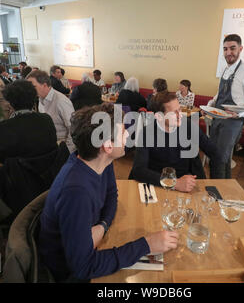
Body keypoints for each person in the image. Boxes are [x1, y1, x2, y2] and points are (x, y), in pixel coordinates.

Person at [38, 103, 179, 282]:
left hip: (90, 246)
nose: (127, 134)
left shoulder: (99, 161)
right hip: (68, 272)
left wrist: (102, 225)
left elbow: (112, 195)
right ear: (107, 146)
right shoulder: (76, 191)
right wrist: (147, 244)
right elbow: (82, 267)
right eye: (122, 132)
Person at [129, 91, 217, 192]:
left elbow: (214, 152)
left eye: (179, 109)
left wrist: (216, 183)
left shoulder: (188, 125)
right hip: (158, 186)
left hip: (187, 184)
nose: (180, 115)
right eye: (173, 113)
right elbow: (138, 170)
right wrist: (174, 183)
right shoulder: (146, 133)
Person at [207, 34, 244, 179]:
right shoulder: (225, 69)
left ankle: (218, 191)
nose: (228, 52)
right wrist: (211, 103)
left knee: (221, 158)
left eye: (232, 48)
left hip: (232, 122)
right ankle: (219, 188)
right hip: (217, 117)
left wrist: (239, 115)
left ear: (240, 49)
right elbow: (220, 93)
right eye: (225, 49)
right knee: (214, 155)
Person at [0, 80, 58, 164]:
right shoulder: (46, 119)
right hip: (49, 171)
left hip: (19, 174)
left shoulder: (4, 127)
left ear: (10, 103)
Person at [26, 70, 75, 152]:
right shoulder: (41, 99)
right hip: (49, 145)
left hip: (62, 147)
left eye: (33, 87)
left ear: (44, 85)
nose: (29, 90)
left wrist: (66, 152)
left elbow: (73, 129)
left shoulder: (61, 101)